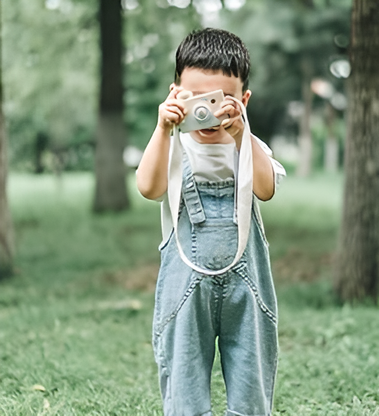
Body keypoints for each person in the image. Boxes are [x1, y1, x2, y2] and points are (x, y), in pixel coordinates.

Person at [136, 28, 286, 416]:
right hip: (184, 287)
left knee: (250, 382)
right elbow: (148, 188)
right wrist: (162, 127)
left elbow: (267, 189)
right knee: (184, 385)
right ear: (175, 95)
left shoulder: (248, 145)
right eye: (195, 98)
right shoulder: (172, 146)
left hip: (246, 286)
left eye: (220, 100)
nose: (207, 110)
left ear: (243, 100)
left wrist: (242, 134)